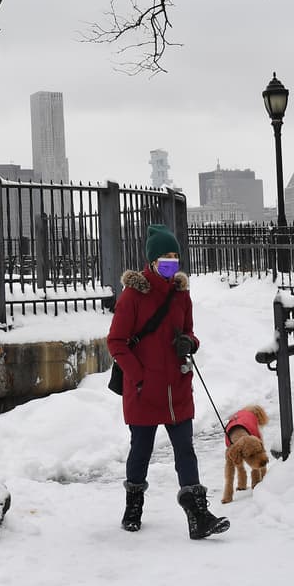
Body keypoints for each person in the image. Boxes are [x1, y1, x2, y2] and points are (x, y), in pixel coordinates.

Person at [107, 223, 230, 540]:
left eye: (175, 256)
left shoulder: (180, 295)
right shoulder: (132, 296)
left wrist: (189, 343)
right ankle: (133, 505)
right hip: (144, 390)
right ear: (151, 260)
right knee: (141, 451)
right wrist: (139, 379)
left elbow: (189, 332)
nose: (171, 262)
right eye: (165, 257)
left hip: (177, 386)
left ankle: (198, 515)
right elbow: (117, 341)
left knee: (185, 450)